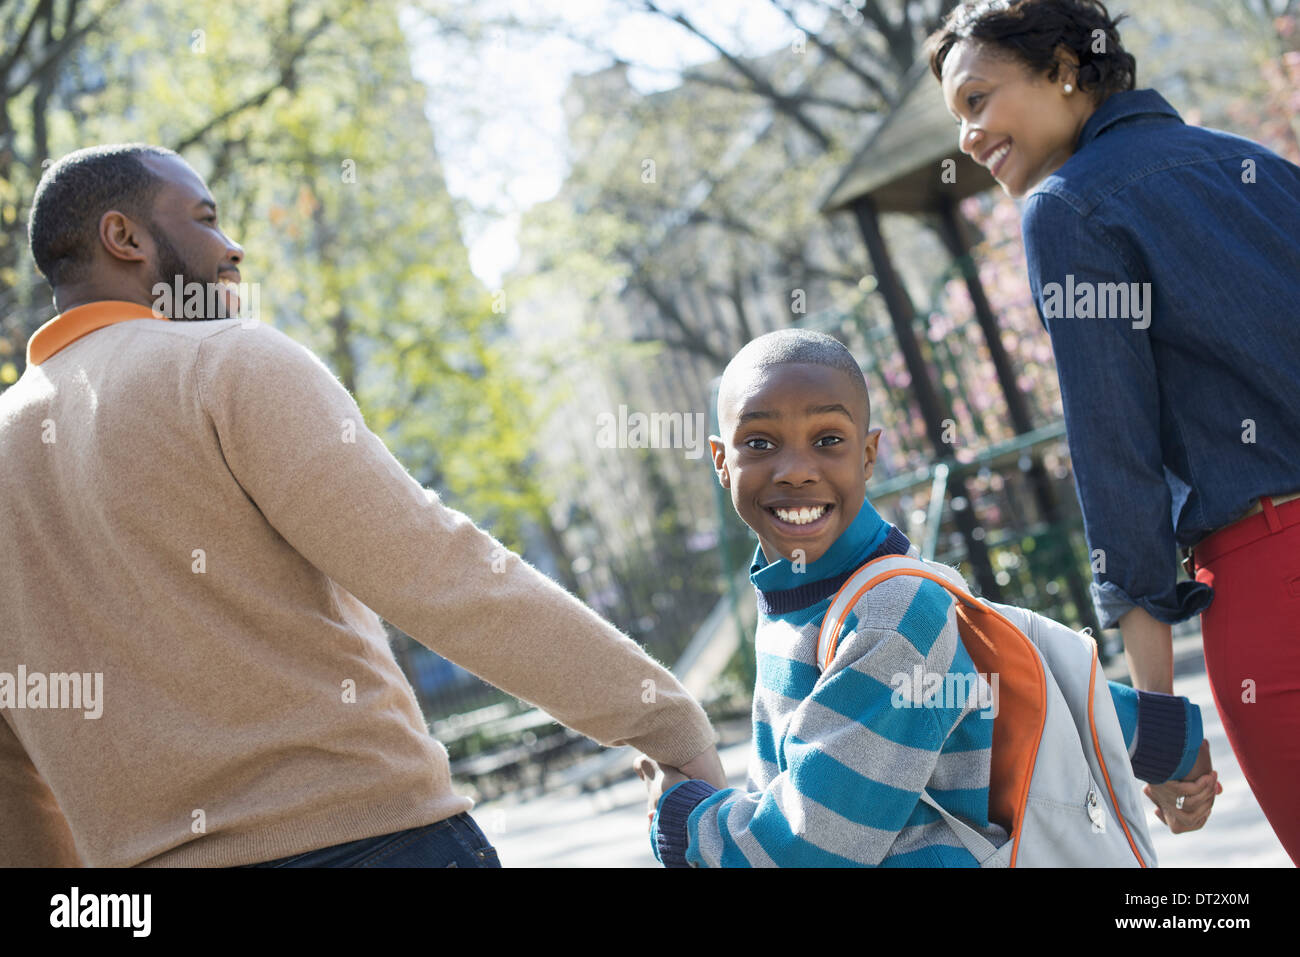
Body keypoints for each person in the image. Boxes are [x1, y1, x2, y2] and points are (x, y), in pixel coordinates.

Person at [0, 143, 725, 868]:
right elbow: (439, 572)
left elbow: (11, 765)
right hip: (369, 844)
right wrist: (665, 721)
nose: (233, 246)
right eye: (206, 218)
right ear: (123, 237)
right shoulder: (223, 362)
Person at [926, 0, 1300, 862]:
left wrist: (1160, 723)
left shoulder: (1068, 206)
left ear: (1064, 66)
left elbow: (1115, 460)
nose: (969, 138)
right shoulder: (1257, 163)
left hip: (1275, 583)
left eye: (978, 100)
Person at [634, 329, 1212, 867]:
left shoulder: (896, 611)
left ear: (868, 453)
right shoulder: (803, 596)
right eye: (759, 443)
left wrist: (684, 819)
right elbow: (999, 690)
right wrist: (1171, 744)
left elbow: (815, 843)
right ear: (720, 462)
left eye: (828, 439)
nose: (795, 470)